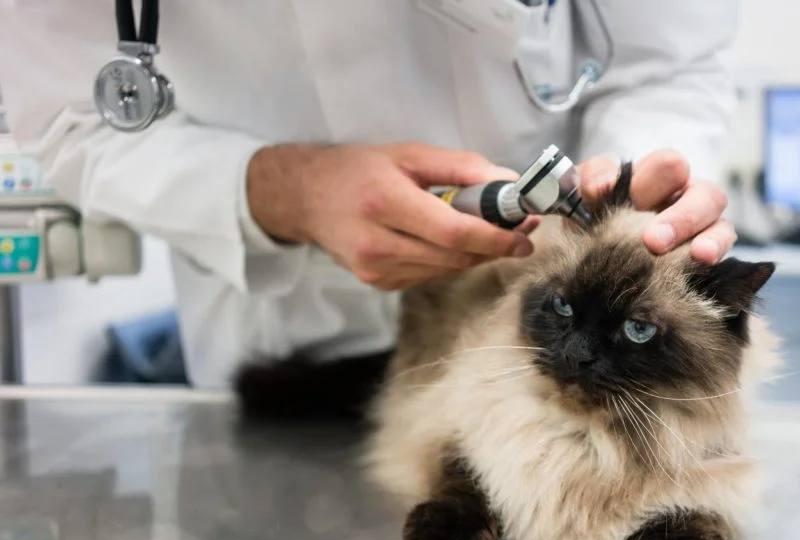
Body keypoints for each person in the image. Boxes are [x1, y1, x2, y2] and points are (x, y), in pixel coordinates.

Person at [0, 1, 739, 389]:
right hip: (277, 357)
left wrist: (642, 187)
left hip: (531, 344)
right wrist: (281, 190)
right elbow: (67, 117)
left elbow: (668, 65)